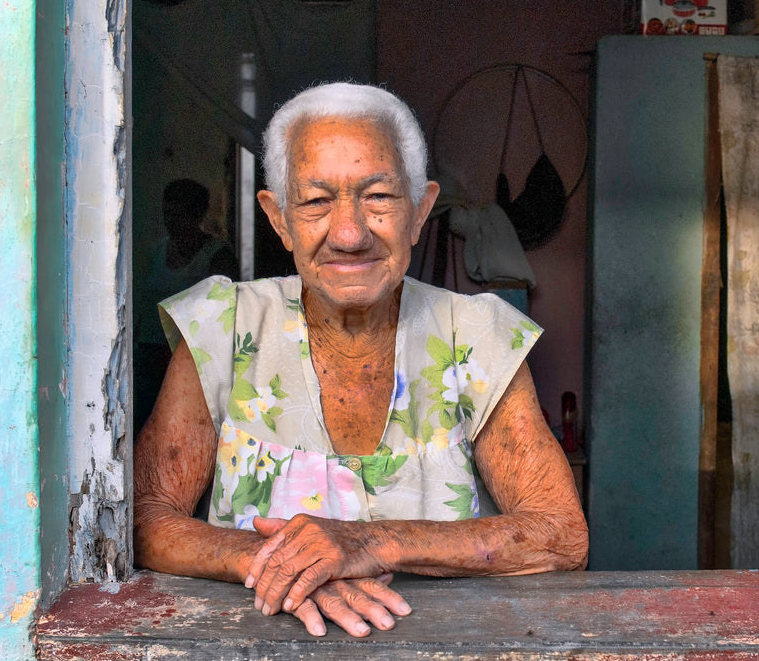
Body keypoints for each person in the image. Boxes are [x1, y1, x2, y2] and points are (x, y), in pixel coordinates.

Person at [133, 82, 588, 639]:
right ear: (279, 220)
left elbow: (560, 534)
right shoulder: (223, 328)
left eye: (378, 197)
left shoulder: (473, 336)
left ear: (420, 211)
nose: (349, 234)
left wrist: (365, 543)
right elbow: (144, 518)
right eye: (316, 201)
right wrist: (292, 562)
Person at [133, 178, 239, 430]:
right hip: (149, 358)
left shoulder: (217, 257)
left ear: (197, 213)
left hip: (191, 360)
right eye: (167, 213)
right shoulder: (157, 252)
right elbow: (144, 304)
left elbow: (225, 316)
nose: (172, 221)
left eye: (180, 213)